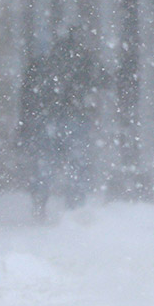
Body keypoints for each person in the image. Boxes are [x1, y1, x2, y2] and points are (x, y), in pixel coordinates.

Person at [18, 28, 102, 221]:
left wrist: (27, 121)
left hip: (47, 120)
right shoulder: (84, 61)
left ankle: (40, 204)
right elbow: (103, 80)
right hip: (75, 119)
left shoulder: (42, 63)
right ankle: (75, 209)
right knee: (77, 165)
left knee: (45, 164)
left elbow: (28, 93)